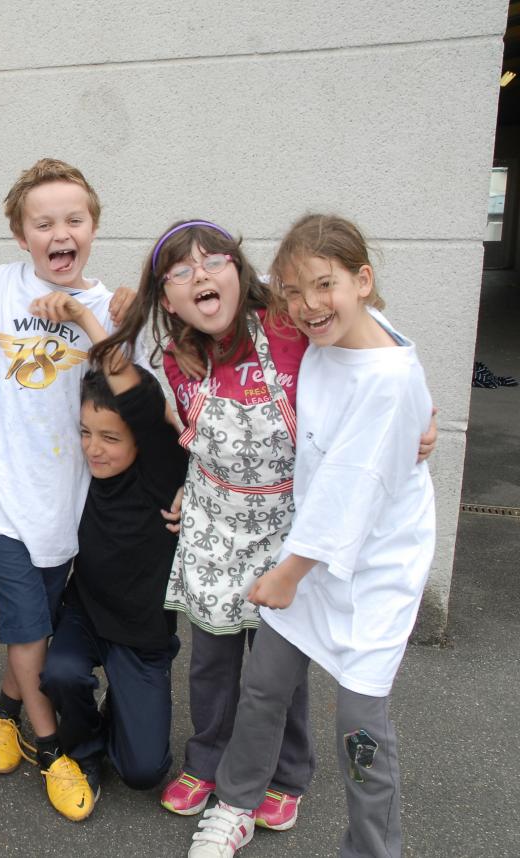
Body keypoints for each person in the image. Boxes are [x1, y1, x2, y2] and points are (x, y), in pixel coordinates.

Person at [96, 219, 436, 831]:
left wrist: (423, 408)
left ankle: (288, 773)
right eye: (180, 272)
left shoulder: (285, 324)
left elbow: (365, 335)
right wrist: (191, 482)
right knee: (211, 659)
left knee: (280, 666)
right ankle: (207, 759)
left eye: (213, 262)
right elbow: (185, 431)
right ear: (166, 300)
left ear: (240, 271)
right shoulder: (175, 356)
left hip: (287, 520)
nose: (200, 276)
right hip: (214, 522)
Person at [0, 158, 123, 821]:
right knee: (28, 624)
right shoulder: (0, 284)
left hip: (62, 502)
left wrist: (86, 318)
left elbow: (124, 388)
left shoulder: (107, 308)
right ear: (21, 235)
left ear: (93, 228)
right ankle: (51, 746)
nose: (60, 233)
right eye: (44, 223)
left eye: (73, 220)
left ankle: (3, 713)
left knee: (33, 632)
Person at [35, 306, 189, 816]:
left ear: (140, 438)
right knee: (61, 673)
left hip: (142, 633)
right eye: (85, 433)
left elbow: (141, 400)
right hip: (86, 613)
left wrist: (86, 317)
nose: (93, 449)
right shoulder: (80, 475)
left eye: (110, 438)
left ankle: (124, 702)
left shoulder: (161, 474)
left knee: (143, 771)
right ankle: (86, 748)